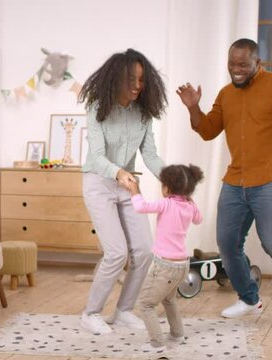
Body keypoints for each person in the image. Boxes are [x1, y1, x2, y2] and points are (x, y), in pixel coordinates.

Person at [176, 38, 272, 328]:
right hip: (236, 180)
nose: (236, 69)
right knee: (227, 243)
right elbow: (207, 130)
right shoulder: (226, 94)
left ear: (258, 63)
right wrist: (193, 107)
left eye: (243, 64)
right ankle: (249, 299)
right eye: (232, 64)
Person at [78, 49, 167, 334]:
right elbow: (97, 156)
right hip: (100, 182)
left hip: (129, 184)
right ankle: (90, 313)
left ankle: (124, 310)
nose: (138, 86)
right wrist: (119, 173)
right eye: (132, 79)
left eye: (142, 80)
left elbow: (150, 154)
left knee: (143, 251)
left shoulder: (143, 113)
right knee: (116, 252)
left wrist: (171, 179)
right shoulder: (97, 107)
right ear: (116, 78)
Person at [127, 164, 203, 353]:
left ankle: (157, 344)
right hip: (182, 265)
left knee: (146, 304)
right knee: (169, 300)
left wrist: (134, 188)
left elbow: (139, 206)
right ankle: (177, 335)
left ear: (167, 188)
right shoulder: (190, 205)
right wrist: (190, 200)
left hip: (165, 266)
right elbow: (198, 219)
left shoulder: (166, 203)